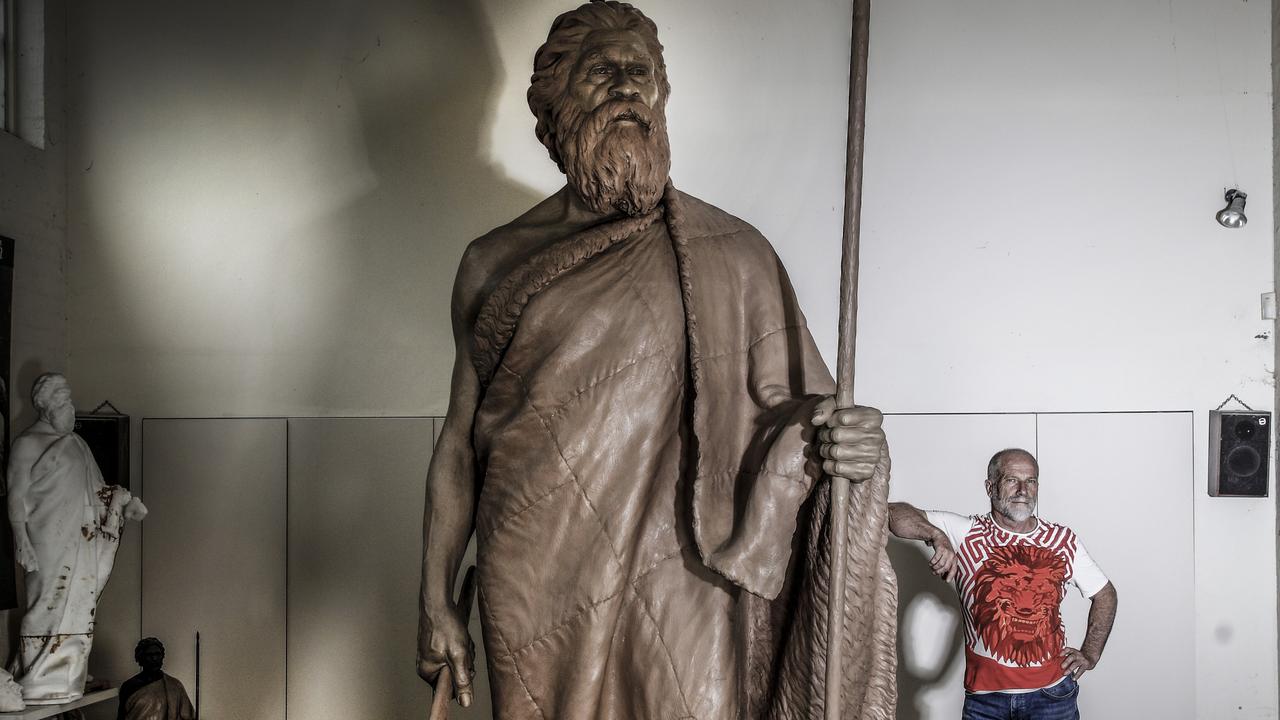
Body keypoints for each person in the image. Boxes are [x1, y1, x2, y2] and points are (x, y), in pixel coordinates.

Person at [416, 2, 898, 718]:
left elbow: (805, 413)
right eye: (600, 72)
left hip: (690, 571)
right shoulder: (493, 262)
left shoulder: (735, 255)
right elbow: (458, 444)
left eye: (639, 74)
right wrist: (433, 596)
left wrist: (845, 441)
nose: (624, 89)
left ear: (662, 98)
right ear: (554, 106)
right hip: (536, 575)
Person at [888, 448, 1118, 720]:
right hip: (986, 700)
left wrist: (1090, 654)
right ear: (990, 486)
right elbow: (892, 513)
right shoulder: (967, 533)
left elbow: (1105, 594)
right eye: (1012, 480)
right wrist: (937, 535)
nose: (1023, 489)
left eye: (1030, 481)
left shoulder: (1062, 541)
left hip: (1052, 695)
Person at [7, 373, 148, 704]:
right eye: (65, 401)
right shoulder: (26, 444)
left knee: (80, 601)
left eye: (70, 400)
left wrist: (124, 501)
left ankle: (69, 673)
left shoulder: (76, 443)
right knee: (47, 601)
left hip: (80, 536)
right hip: (46, 537)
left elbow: (97, 490)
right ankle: (37, 674)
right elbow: (15, 496)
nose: (71, 407)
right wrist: (20, 539)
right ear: (47, 406)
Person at [117, 638, 195, 720]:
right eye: (149, 655)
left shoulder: (175, 685)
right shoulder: (129, 686)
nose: (154, 658)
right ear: (140, 658)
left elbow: (188, 716)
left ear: (162, 656)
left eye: (158, 654)